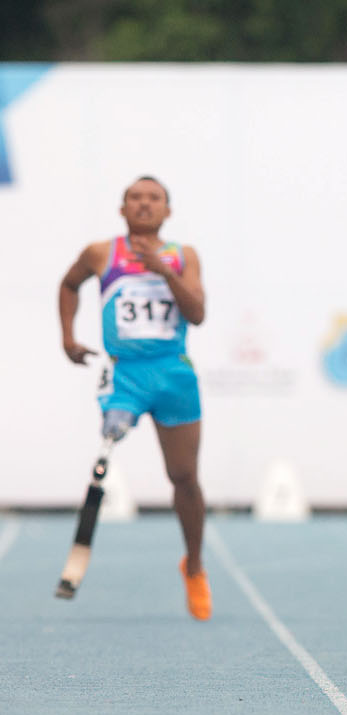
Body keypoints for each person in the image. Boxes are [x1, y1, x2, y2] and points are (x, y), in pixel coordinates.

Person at [58, 176, 212, 621]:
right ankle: (113, 427)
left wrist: (163, 271)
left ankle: (195, 566)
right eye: (135, 199)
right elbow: (69, 285)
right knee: (109, 440)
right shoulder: (101, 253)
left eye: (154, 199)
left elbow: (198, 314)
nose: (145, 205)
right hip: (125, 373)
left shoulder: (184, 256)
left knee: (183, 476)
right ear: (122, 209)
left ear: (167, 211)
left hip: (172, 373)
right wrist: (68, 337)